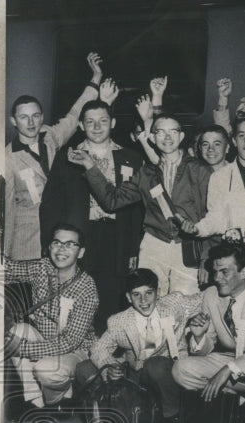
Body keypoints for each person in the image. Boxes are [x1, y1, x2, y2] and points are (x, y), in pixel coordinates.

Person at [68, 113, 212, 296]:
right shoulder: (146, 173)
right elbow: (112, 201)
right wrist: (90, 165)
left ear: (181, 136)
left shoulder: (199, 170)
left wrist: (207, 257)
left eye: (173, 132)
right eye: (160, 132)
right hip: (154, 243)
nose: (167, 137)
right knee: (148, 298)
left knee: (184, 301)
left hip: (188, 247)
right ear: (152, 138)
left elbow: (213, 216)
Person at [41, 93, 144, 333]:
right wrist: (52, 244)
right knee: (76, 294)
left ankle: (108, 351)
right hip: (80, 238)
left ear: (113, 123)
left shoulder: (131, 157)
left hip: (117, 238)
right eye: (90, 121)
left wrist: (133, 248)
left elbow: (137, 211)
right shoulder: (67, 157)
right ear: (80, 125)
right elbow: (51, 205)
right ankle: (76, 348)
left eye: (103, 121)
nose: (97, 127)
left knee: (113, 295)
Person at [4, 52, 103, 261]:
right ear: (14, 121)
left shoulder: (50, 136)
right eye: (24, 117)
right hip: (27, 242)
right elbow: (8, 210)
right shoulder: (7, 158)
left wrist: (95, 79)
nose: (31, 123)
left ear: (42, 117)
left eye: (36, 116)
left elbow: (75, 114)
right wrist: (4, 254)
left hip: (60, 239)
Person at [75, 269, 202, 423]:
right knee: (84, 368)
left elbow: (204, 300)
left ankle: (173, 414)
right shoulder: (119, 322)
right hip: (136, 375)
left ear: (158, 292)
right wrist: (110, 367)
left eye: (149, 292)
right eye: (136, 294)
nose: (143, 300)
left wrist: (200, 318)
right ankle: (108, 412)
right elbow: (98, 348)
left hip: (166, 374)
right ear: (128, 297)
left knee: (155, 365)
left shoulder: (175, 304)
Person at [171, 244, 245, 404]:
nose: (217, 278)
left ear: (243, 273)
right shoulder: (211, 295)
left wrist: (229, 369)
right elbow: (208, 348)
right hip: (230, 359)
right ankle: (231, 403)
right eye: (215, 272)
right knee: (181, 369)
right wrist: (199, 337)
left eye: (224, 272)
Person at [4, 223, 99, 416]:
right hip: (45, 338)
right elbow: (9, 268)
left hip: (75, 350)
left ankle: (60, 399)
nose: (62, 249)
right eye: (57, 242)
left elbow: (69, 341)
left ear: (80, 253)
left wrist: (22, 349)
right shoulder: (42, 267)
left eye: (70, 244)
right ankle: (34, 401)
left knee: (47, 370)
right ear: (49, 248)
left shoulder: (87, 288)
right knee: (17, 331)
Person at [180, 116, 245, 284]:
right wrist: (197, 229)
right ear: (234, 140)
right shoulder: (219, 177)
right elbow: (215, 219)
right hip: (230, 254)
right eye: (242, 135)